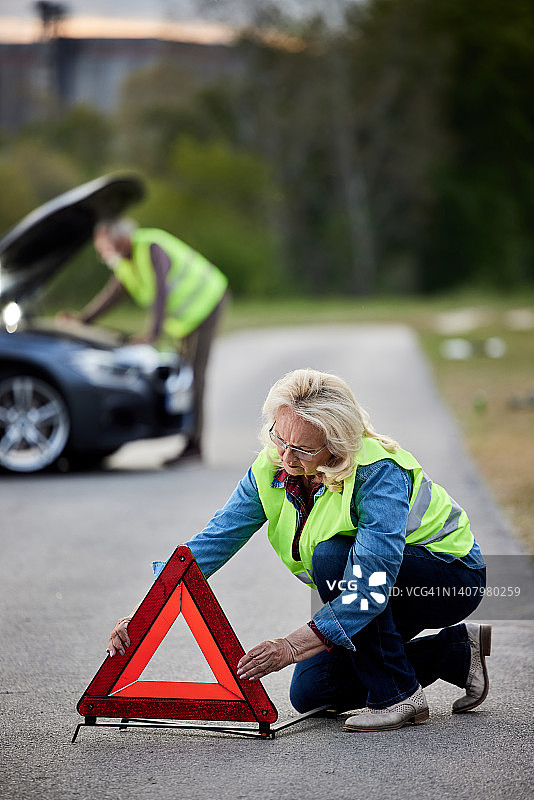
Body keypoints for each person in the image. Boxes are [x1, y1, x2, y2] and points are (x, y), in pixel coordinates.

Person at [107, 368, 491, 732]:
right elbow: (211, 544)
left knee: (331, 556)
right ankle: (455, 651)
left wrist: (290, 646)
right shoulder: (272, 467)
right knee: (313, 692)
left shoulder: (377, 472)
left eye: (303, 449)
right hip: (373, 584)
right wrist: (145, 612)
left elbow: (371, 583)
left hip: (447, 580)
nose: (286, 458)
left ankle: (398, 698)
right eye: (279, 438)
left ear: (335, 446)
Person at [62, 219, 228, 459]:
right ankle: (186, 435)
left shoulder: (150, 247)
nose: (103, 254)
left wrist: (153, 333)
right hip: (187, 318)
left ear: (120, 239)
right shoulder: (126, 263)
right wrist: (83, 320)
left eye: (104, 247)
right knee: (180, 376)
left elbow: (161, 289)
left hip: (207, 302)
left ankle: (194, 445)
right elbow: (113, 294)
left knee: (193, 375)